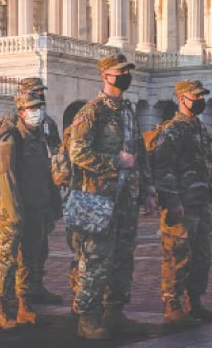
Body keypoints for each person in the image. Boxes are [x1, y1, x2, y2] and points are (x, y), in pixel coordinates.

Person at [68, 53, 157, 340]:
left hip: (126, 199)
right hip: (99, 200)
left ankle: (115, 312)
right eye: (120, 71)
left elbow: (140, 155)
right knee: (96, 259)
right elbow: (77, 152)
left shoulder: (127, 112)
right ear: (105, 75)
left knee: (122, 258)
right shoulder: (92, 112)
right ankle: (88, 317)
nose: (125, 76)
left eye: (126, 71)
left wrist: (148, 191)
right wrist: (114, 162)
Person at [152, 79, 212, 325]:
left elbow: (210, 159)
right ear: (181, 99)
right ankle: (171, 304)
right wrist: (172, 200)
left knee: (201, 255)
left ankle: (194, 303)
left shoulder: (199, 129)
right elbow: (162, 169)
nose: (199, 101)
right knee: (177, 254)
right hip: (181, 203)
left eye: (201, 96)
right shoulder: (171, 130)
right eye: (195, 97)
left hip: (200, 201)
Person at [0, 77, 62, 304]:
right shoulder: (12, 123)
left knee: (39, 246)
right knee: (18, 251)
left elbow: (55, 153)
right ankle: (17, 294)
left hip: (41, 191)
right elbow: (6, 164)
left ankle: (36, 285)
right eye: (34, 92)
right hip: (22, 191)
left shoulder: (47, 123)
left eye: (41, 92)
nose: (39, 96)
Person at [0, 91, 53, 329]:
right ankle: (0, 310)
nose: (36, 112)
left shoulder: (38, 137)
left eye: (38, 107)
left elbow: (44, 175)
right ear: (20, 112)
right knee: (6, 261)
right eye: (31, 108)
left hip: (36, 208)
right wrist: (14, 211)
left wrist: (50, 205)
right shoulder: (12, 137)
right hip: (13, 210)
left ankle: (24, 307)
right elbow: (5, 176)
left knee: (29, 259)